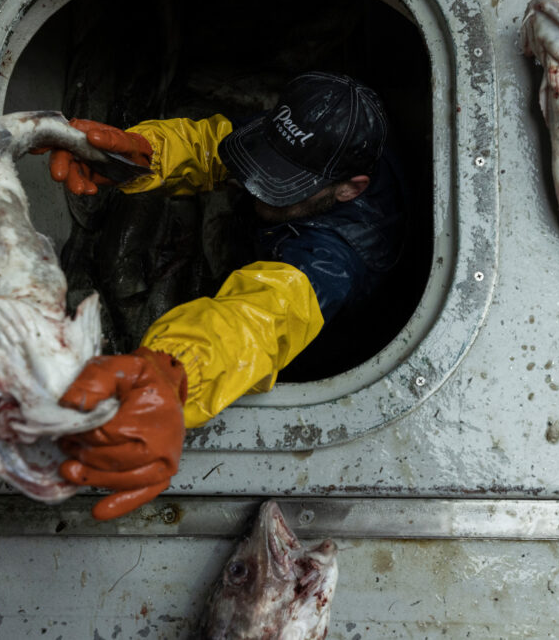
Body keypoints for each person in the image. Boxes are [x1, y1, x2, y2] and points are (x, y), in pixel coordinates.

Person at [39, 72, 406, 520]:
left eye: (279, 185)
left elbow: (259, 319)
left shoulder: (332, 260)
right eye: (265, 162)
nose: (252, 188)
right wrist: (144, 154)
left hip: (325, 329)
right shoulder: (317, 144)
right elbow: (217, 145)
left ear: (351, 188)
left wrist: (172, 373)